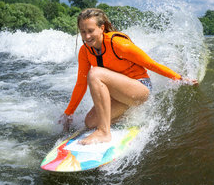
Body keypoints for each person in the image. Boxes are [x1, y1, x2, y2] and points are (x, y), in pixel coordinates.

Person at [59, 8, 197, 145]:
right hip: (120, 96)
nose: (87, 36)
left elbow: (150, 64)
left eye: (90, 31)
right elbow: (81, 84)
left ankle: (104, 132)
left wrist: (179, 78)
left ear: (101, 28)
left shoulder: (118, 44)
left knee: (95, 73)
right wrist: (68, 113)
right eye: (83, 32)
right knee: (89, 122)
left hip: (140, 88)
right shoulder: (85, 51)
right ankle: (127, 117)